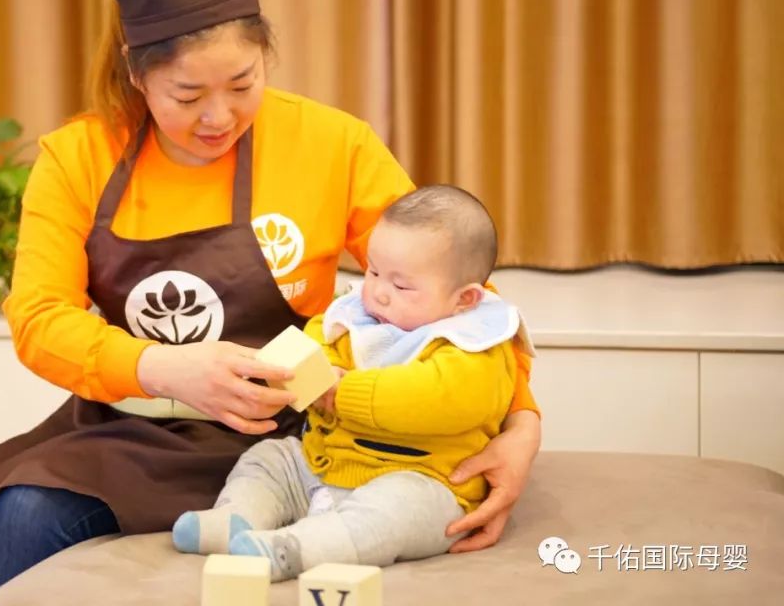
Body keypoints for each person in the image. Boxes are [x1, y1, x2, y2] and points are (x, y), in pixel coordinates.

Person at [0, 0, 541, 603]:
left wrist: (522, 423)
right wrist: (163, 366)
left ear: (265, 58)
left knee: (31, 517)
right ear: (135, 71)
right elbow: (38, 319)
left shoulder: (333, 145)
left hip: (270, 433)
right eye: (187, 94)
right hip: (119, 418)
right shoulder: (78, 157)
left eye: (243, 84)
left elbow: (452, 294)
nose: (219, 117)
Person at [172, 185, 534, 581]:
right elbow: (317, 340)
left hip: (422, 479)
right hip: (323, 465)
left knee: (390, 513)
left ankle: (298, 547)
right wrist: (304, 371)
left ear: (464, 299)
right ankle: (237, 517)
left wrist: (344, 392)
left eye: (401, 286)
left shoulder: (476, 345)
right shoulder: (359, 314)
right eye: (373, 271)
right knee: (270, 460)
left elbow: (436, 397)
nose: (377, 292)